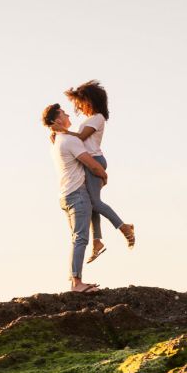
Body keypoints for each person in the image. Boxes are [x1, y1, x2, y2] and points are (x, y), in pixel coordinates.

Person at [52, 80, 135, 261]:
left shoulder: (98, 118)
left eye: (81, 103)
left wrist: (62, 131)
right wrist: (60, 134)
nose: (79, 107)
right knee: (92, 202)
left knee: (95, 203)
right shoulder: (90, 120)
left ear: (90, 101)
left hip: (94, 160)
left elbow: (81, 137)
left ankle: (124, 227)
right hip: (89, 161)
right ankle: (97, 241)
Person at [42, 102, 108, 293]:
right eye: (63, 113)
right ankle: (77, 283)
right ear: (57, 120)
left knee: (77, 238)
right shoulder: (69, 140)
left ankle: (75, 280)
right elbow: (92, 165)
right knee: (80, 239)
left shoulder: (56, 143)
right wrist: (103, 174)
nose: (68, 114)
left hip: (65, 195)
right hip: (77, 194)